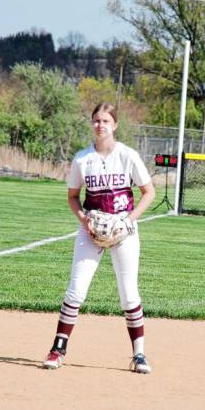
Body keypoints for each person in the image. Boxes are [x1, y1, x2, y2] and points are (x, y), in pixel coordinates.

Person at [43, 102, 156, 374]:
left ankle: (139, 355)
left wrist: (128, 222)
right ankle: (58, 349)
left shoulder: (127, 156)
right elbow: (72, 197)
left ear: (114, 124)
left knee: (129, 293)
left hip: (124, 231)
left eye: (106, 120)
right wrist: (84, 220)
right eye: (96, 120)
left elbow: (148, 192)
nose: (100, 125)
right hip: (91, 231)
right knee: (76, 289)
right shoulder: (82, 159)